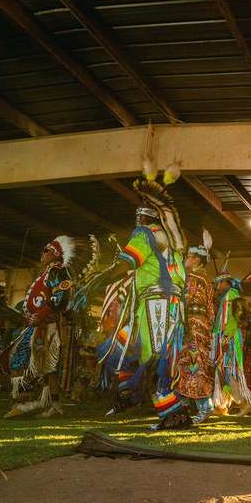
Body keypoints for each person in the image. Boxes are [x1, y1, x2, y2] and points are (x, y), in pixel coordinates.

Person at [92, 169, 187, 429]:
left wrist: (99, 280)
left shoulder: (145, 235)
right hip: (163, 306)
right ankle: (128, 395)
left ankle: (173, 414)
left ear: (148, 219)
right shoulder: (173, 244)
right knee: (117, 349)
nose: (138, 221)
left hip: (157, 304)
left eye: (141, 217)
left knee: (156, 358)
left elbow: (126, 263)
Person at [6, 236, 93, 419]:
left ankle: (24, 404)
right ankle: (53, 405)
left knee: (22, 359)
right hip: (39, 325)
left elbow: (61, 298)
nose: (42, 254)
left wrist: (41, 315)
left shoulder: (56, 271)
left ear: (55, 254)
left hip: (44, 326)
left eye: (46, 250)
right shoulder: (48, 273)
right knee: (47, 368)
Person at [172, 234, 216, 425]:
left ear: (197, 259)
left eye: (188, 257)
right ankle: (180, 406)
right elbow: (211, 310)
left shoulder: (194, 279)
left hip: (192, 326)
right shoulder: (206, 278)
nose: (185, 260)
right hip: (201, 326)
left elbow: (185, 301)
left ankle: (204, 407)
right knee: (191, 364)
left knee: (193, 365)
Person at [212, 279, 251, 416]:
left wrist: (225, 338)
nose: (217, 286)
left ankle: (244, 402)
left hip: (229, 337)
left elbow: (232, 320)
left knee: (229, 369)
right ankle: (221, 406)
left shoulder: (231, 296)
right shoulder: (231, 296)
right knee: (222, 370)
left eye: (219, 283)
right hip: (225, 335)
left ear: (226, 283)